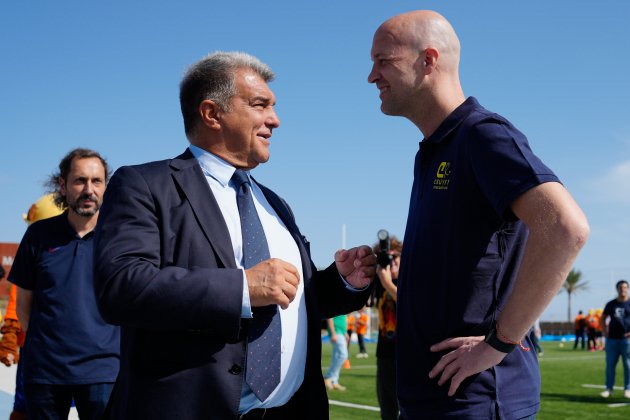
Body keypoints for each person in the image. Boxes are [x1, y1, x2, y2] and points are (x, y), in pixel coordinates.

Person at [93, 51, 376, 420]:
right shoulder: (144, 185)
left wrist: (342, 283)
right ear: (212, 113)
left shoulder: (275, 203)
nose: (275, 120)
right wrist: (242, 288)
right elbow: (121, 288)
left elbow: (292, 299)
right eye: (260, 105)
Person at [368, 10, 590, 418]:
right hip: (435, 400)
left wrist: (498, 344)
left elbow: (565, 229)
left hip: (478, 401)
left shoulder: (482, 135)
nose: (372, 76)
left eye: (384, 61)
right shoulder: (435, 150)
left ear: (428, 61)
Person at [8, 149, 120, 420]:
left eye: (97, 181)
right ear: (63, 185)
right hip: (45, 373)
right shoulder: (39, 235)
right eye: (80, 180)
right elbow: (23, 304)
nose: (89, 189)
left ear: (106, 186)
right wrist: (45, 345)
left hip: (104, 372)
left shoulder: (119, 237)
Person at [0, 194, 64, 420]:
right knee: (28, 405)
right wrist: (10, 340)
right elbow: (16, 307)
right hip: (36, 348)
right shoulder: (33, 259)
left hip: (75, 354)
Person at [373, 236, 402, 420]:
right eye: (387, 258)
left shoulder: (412, 279)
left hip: (407, 355)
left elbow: (412, 307)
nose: (391, 263)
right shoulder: (379, 281)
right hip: (384, 353)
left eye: (395, 257)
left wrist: (388, 284)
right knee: (387, 410)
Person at [600, 280, 630, 399]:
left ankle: (627, 389)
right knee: (610, 366)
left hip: (626, 340)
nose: (622, 289)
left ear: (627, 289)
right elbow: (603, 317)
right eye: (620, 287)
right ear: (617, 289)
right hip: (612, 340)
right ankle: (609, 389)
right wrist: (604, 331)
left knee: (628, 366)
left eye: (625, 287)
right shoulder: (611, 304)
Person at [324, 315, 349, 391]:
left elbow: (342, 320)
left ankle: (334, 381)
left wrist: (345, 332)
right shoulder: (335, 304)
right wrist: (333, 333)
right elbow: (330, 317)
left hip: (341, 332)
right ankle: (328, 376)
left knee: (336, 357)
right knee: (343, 355)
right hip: (336, 332)